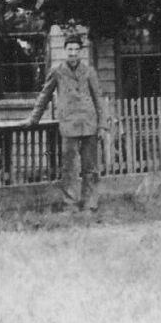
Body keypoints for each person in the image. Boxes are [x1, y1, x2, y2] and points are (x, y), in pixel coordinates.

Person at [25, 33, 106, 213]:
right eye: (70, 49)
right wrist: (33, 118)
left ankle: (89, 203)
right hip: (69, 125)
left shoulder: (89, 71)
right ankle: (70, 204)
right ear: (65, 51)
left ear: (80, 52)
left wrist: (102, 125)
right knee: (69, 167)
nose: (73, 53)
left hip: (89, 124)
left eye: (76, 50)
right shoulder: (57, 71)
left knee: (90, 167)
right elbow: (44, 95)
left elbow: (98, 99)